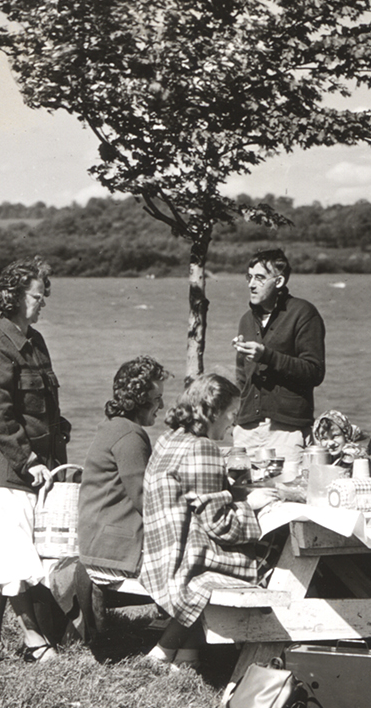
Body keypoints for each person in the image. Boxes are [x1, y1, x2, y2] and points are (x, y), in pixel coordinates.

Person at [0, 257, 72, 662]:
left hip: (40, 467)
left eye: (44, 293)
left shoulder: (36, 342)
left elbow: (42, 407)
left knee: (5, 549)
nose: (43, 300)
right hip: (8, 469)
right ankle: (34, 642)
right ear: (13, 297)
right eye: (37, 294)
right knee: (14, 555)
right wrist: (28, 459)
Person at [138, 373, 273, 671]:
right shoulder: (203, 449)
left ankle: (183, 657)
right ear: (212, 411)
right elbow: (221, 525)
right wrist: (249, 505)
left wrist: (232, 493)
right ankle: (163, 653)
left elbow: (198, 498)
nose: (233, 423)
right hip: (184, 560)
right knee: (268, 560)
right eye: (232, 414)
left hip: (159, 550)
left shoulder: (169, 439)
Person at [77, 356, 170, 581]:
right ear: (139, 400)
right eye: (158, 399)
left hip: (97, 544)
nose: (163, 406)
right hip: (115, 552)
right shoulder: (130, 436)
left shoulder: (113, 427)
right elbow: (147, 501)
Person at [231, 249, 326, 463]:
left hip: (285, 430)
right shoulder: (246, 319)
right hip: (246, 430)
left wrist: (267, 356)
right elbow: (242, 376)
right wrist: (237, 419)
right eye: (249, 277)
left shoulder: (303, 313)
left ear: (279, 281)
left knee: (284, 494)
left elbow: (314, 371)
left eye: (260, 278)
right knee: (244, 494)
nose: (251, 284)